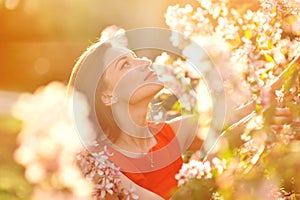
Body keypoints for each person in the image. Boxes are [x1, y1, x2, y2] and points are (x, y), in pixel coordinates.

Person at [68, 41, 293, 199]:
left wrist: (292, 70)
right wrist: (242, 130)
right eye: (125, 64)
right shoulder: (99, 165)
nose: (145, 61)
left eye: (136, 57)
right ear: (108, 96)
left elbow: (244, 110)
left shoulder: (167, 133)